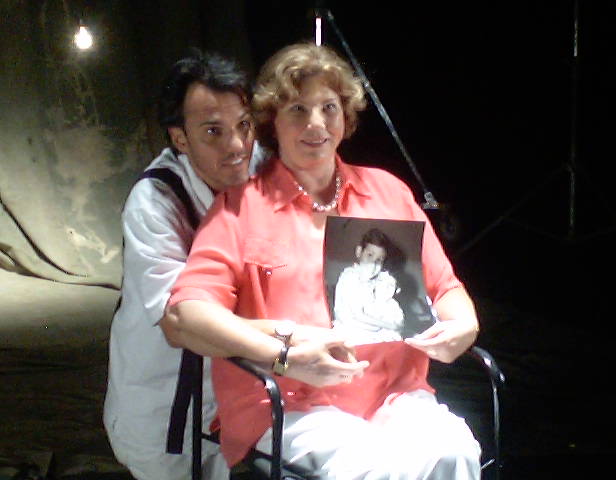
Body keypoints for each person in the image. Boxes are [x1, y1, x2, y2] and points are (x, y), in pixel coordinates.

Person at [163, 42, 481, 479]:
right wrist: (284, 356)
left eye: (328, 107)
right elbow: (186, 315)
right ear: (272, 121)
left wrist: (464, 325)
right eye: (297, 109)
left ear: (345, 116)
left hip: (395, 395)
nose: (316, 123)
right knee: (376, 469)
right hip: (290, 403)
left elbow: (445, 288)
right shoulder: (239, 208)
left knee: (454, 455)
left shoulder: (387, 192)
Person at [103, 49, 263, 480]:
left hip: (234, 397)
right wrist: (288, 347)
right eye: (213, 131)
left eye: (244, 125)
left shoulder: (261, 167)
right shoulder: (155, 203)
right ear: (180, 138)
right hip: (165, 407)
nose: (237, 146)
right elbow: (182, 324)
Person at [333, 229, 405, 343]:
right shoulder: (350, 276)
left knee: (395, 338)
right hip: (350, 331)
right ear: (359, 252)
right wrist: (390, 326)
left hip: (370, 331)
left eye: (379, 260)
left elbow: (384, 306)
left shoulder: (375, 282)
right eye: (369, 255)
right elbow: (357, 315)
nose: (373, 264)